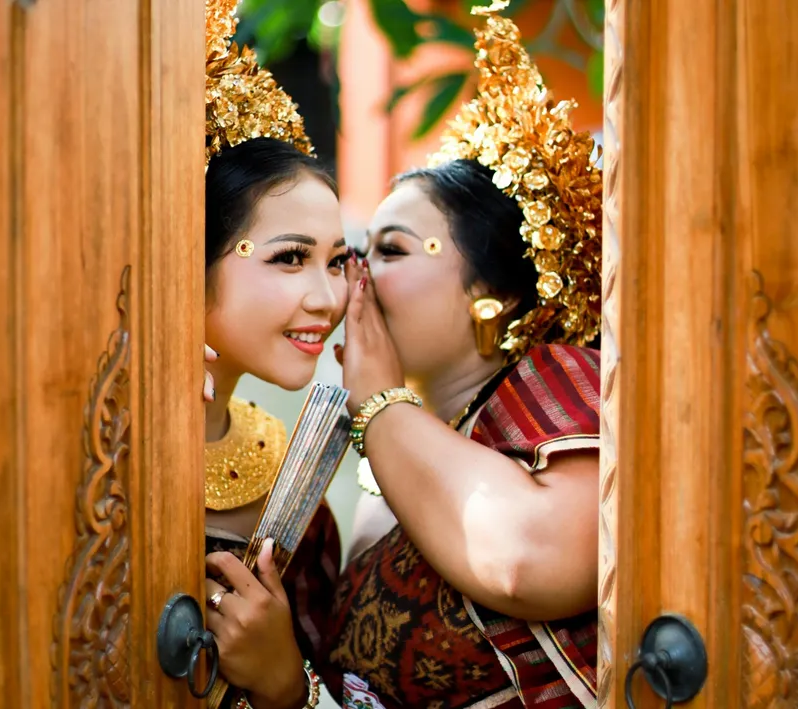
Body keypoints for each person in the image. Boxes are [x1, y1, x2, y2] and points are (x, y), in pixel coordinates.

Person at [204, 1, 603, 707]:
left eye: (382, 251)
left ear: (494, 294)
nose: (347, 286)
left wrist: (379, 400)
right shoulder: (383, 465)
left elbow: (524, 559)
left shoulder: (556, 383)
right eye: (343, 256)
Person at [199, 1, 350, 707]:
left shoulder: (290, 473)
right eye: (290, 258)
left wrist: (284, 682)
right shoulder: (78, 438)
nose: (327, 297)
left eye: (337, 262)